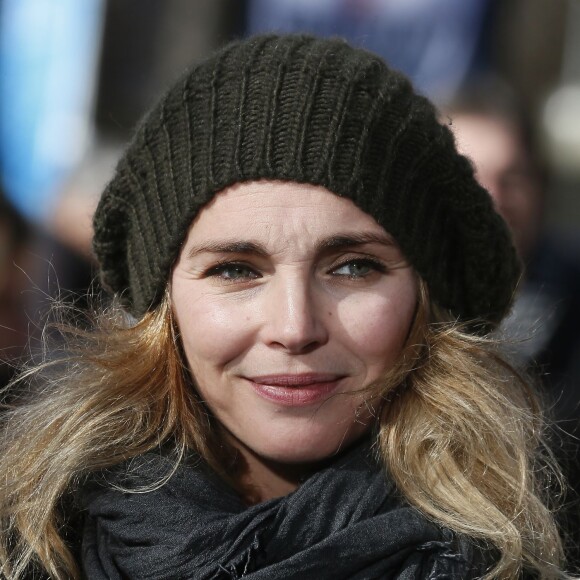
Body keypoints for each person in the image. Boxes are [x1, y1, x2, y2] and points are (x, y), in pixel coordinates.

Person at [0, 35, 569, 579]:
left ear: (427, 298)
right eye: (236, 270)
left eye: (352, 266)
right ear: (162, 302)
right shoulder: (38, 545)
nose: (295, 328)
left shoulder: (516, 558)